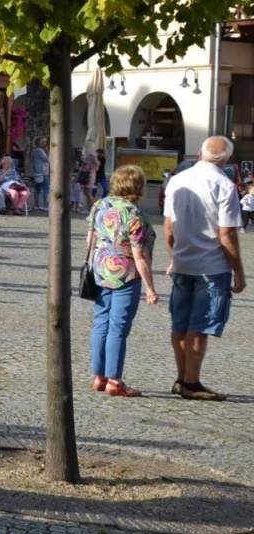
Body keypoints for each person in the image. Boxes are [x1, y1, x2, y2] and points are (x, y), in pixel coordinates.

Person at [163, 136, 245, 401]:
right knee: (200, 325)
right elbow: (226, 234)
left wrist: (174, 256)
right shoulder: (224, 185)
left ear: (200, 153)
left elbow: (168, 227)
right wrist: (239, 271)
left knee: (180, 323)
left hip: (183, 262)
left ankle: (181, 378)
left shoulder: (177, 180)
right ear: (227, 159)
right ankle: (192, 382)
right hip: (211, 265)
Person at [83, 164, 158, 398]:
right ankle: (114, 380)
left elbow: (90, 240)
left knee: (101, 324)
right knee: (118, 328)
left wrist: (97, 261)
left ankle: (99, 376)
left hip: (101, 270)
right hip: (126, 274)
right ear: (138, 187)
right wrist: (150, 288)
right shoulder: (133, 213)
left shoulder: (100, 205)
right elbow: (139, 254)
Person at [29, 136, 51, 211]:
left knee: (38, 189)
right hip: (42, 172)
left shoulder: (37, 151)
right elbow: (47, 159)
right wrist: (48, 151)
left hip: (39, 172)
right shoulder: (39, 151)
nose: (45, 143)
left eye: (45, 141)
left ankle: (36, 204)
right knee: (46, 189)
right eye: (43, 142)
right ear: (39, 143)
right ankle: (45, 205)